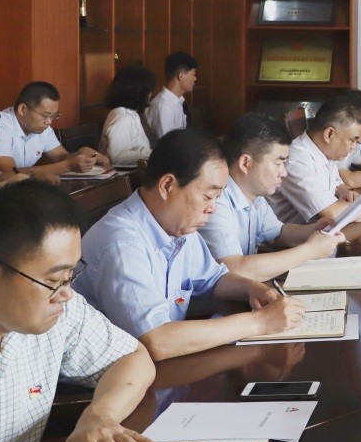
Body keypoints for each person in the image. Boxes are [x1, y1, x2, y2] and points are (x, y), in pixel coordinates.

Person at [0, 180, 227, 442]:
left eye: (70, 276)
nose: (66, 294)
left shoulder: (52, 308)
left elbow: (132, 357)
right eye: (54, 279)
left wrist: (101, 415)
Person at [73, 130, 305, 361]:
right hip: (118, 373)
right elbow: (155, 340)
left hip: (165, 361)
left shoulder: (177, 225)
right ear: (167, 186)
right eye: (208, 196)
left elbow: (212, 278)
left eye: (217, 198)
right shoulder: (122, 243)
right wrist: (259, 322)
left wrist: (252, 288)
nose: (212, 209)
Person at [200, 113, 347, 283]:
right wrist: (309, 251)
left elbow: (277, 234)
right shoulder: (216, 202)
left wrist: (315, 230)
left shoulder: (255, 195)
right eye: (278, 163)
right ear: (246, 163)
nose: (284, 172)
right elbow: (234, 269)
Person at [270, 97, 361, 225]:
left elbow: (335, 182)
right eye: (352, 140)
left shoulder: (324, 150)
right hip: (294, 238)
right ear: (329, 134)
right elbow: (331, 213)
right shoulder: (297, 160)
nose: (354, 147)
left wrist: (344, 192)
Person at [0, 82, 109, 182]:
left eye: (54, 116)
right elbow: (10, 173)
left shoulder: (42, 126)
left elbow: (61, 157)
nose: (49, 122)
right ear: (22, 109)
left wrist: (81, 153)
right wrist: (68, 165)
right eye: (45, 115)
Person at [98, 66, 156, 167]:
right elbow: (118, 157)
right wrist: (153, 155)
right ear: (138, 92)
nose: (151, 94)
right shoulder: (122, 118)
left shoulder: (131, 114)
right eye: (148, 91)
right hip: (122, 174)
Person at [145, 52, 197, 142]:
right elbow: (168, 145)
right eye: (193, 74)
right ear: (181, 76)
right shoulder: (164, 106)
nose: (195, 79)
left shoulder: (175, 101)